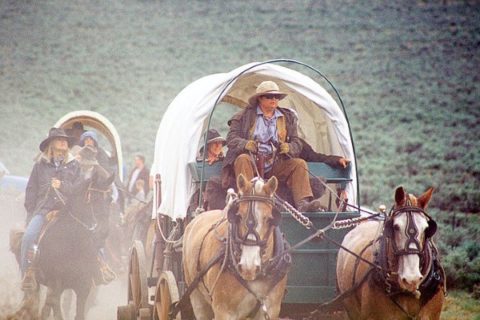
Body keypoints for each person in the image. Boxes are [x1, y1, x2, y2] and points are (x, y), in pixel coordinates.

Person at [222, 80, 350, 212]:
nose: (274, 99)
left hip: (276, 164)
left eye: (276, 97)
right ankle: (248, 200)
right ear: (260, 98)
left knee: (299, 164)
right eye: (269, 96)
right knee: (242, 159)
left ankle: (303, 204)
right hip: (251, 162)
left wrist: (288, 147)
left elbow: (297, 143)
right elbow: (231, 139)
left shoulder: (287, 117)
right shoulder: (243, 116)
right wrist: (246, 144)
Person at [21, 127, 79, 290]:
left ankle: (100, 268)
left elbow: (77, 189)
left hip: (67, 212)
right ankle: (26, 275)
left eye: (65, 140)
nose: (63, 141)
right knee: (28, 237)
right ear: (51, 144)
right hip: (43, 210)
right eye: (59, 139)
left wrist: (62, 185)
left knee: (89, 236)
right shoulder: (40, 166)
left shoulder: (74, 165)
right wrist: (31, 215)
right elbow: (31, 191)